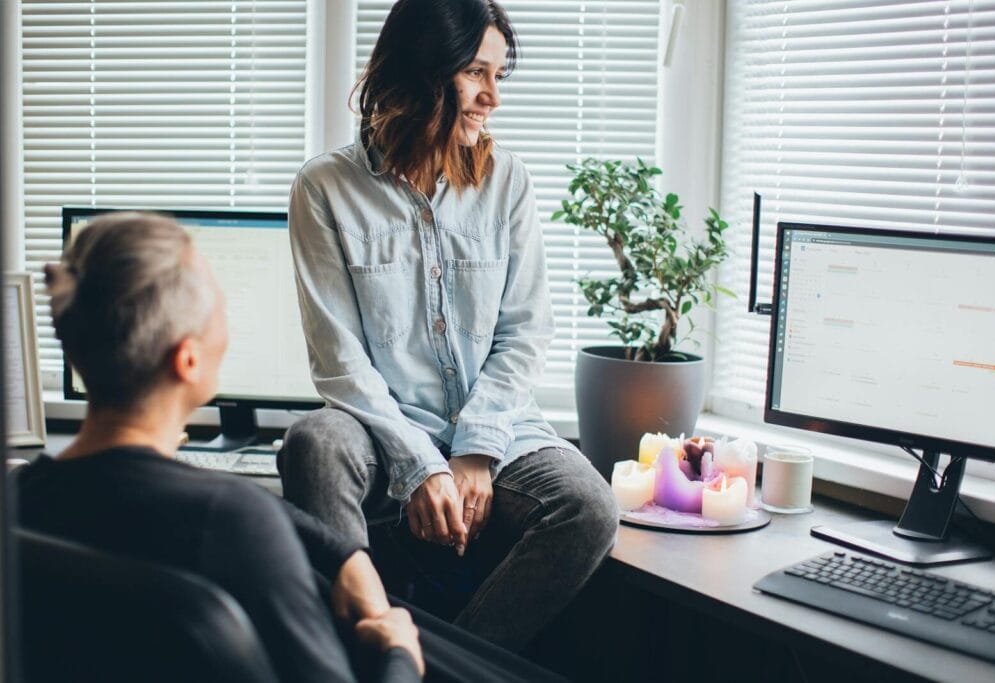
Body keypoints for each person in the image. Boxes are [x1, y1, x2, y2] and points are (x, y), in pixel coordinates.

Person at [283, 0, 620, 652]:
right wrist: (419, 465)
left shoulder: (507, 181)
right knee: (314, 442)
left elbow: (525, 330)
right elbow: (339, 362)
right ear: (421, 72)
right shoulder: (323, 188)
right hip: (380, 429)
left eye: (499, 76)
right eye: (476, 73)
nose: (493, 96)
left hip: (502, 431)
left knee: (591, 506)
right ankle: (350, 653)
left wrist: (475, 447)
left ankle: (433, 665)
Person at [15, 212, 422, 682]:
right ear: (187, 360)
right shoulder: (233, 522)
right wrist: (399, 653)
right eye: (220, 310)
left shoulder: (20, 496)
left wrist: (341, 552)